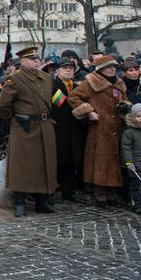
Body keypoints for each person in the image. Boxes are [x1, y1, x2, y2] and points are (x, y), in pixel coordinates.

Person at [0, 46, 58, 217]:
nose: (36, 61)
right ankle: (19, 202)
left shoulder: (46, 78)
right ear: (22, 61)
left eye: (37, 58)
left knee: (44, 164)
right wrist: (14, 120)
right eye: (31, 58)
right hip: (24, 127)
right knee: (23, 166)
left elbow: (53, 100)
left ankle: (41, 201)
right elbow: (2, 106)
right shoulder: (15, 80)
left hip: (45, 126)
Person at [67, 55, 131, 207]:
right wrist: (89, 111)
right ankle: (100, 194)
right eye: (109, 67)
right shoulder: (90, 82)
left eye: (114, 67)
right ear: (101, 68)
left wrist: (124, 106)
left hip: (117, 126)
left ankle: (112, 193)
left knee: (115, 161)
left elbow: (126, 99)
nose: (112, 69)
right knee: (101, 160)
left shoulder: (119, 82)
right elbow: (73, 97)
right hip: (100, 128)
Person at [51, 58, 87, 202]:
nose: (68, 70)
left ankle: (69, 192)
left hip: (75, 130)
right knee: (60, 161)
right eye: (65, 68)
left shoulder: (77, 86)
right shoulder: (54, 86)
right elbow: (61, 103)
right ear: (58, 71)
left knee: (73, 162)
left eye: (71, 68)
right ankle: (55, 191)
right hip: (60, 129)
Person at [122, 104, 141, 213]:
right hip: (135, 165)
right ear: (133, 118)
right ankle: (136, 204)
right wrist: (129, 162)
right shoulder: (129, 132)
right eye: (138, 116)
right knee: (136, 187)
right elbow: (126, 148)